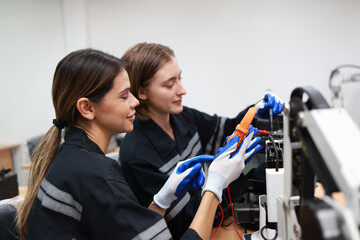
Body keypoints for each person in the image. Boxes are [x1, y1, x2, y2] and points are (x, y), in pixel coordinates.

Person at [16, 48, 261, 240]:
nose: (134, 102)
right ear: (87, 108)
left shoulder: (75, 157)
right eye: (124, 96)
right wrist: (214, 186)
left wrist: (161, 202)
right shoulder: (97, 176)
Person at [119, 42, 284, 238]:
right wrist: (223, 180)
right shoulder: (137, 155)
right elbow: (185, 221)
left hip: (218, 218)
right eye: (170, 84)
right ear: (141, 92)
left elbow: (229, 129)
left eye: (180, 78)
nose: (182, 90)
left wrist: (255, 111)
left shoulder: (182, 117)